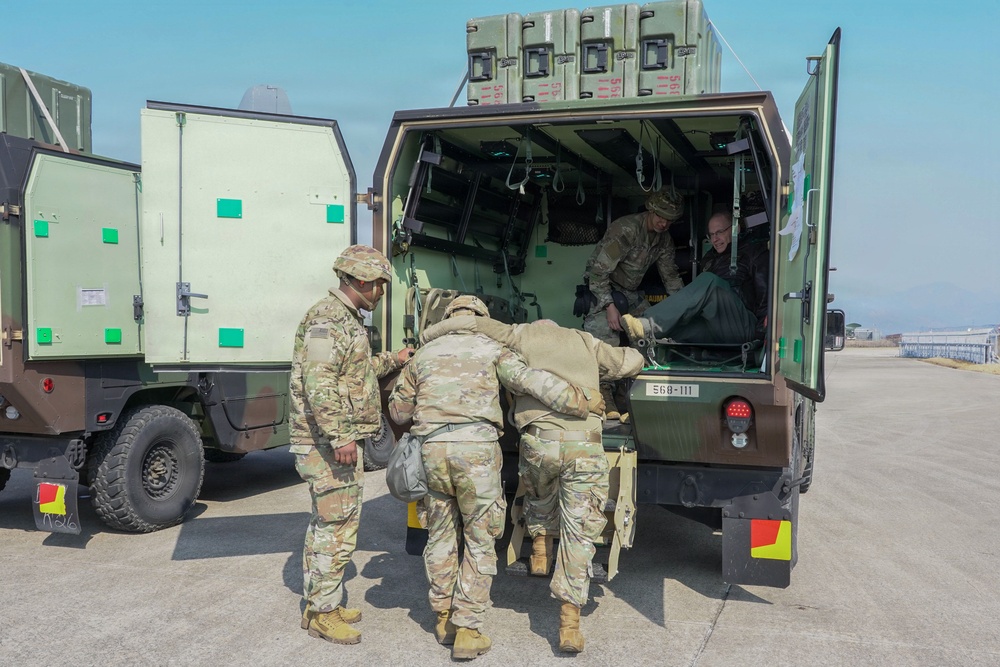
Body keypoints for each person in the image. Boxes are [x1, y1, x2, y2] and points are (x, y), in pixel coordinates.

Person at [388, 295, 604, 660]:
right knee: (478, 537)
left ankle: (443, 619)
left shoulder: (423, 354)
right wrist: (580, 400)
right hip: (475, 453)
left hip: (432, 453)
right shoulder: (493, 349)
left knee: (440, 535)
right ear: (480, 319)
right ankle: (468, 629)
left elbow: (397, 411)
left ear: (448, 317)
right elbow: (531, 381)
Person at [421, 315, 644, 653]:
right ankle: (569, 624)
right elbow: (629, 362)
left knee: (539, 488)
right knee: (580, 529)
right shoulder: (585, 340)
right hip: (584, 442)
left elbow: (475, 325)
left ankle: (540, 546)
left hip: (540, 441)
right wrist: (637, 348)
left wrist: (430, 333)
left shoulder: (519, 335)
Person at [289, 244, 414, 645]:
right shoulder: (326, 321)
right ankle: (324, 613)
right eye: (379, 285)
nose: (381, 292)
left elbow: (357, 372)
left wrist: (395, 358)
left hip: (332, 439)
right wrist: (341, 435)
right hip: (326, 442)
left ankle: (320, 602)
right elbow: (319, 382)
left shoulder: (347, 320)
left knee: (332, 522)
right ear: (361, 280)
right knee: (336, 525)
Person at [583, 189, 685, 418]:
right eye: (661, 216)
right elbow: (597, 274)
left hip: (629, 292)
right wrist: (609, 307)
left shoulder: (663, 240)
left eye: (670, 220)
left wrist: (685, 306)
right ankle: (604, 398)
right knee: (604, 339)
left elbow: (670, 277)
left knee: (650, 333)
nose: (664, 223)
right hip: (603, 287)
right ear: (651, 209)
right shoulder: (626, 230)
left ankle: (628, 396)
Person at [621, 210, 767, 346]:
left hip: (742, 326)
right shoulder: (710, 258)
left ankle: (647, 324)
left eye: (719, 232)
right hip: (714, 325)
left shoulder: (754, 253)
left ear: (735, 229)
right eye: (711, 235)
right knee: (673, 329)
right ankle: (641, 354)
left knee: (709, 281)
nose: (715, 239)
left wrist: (761, 336)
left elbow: (767, 297)